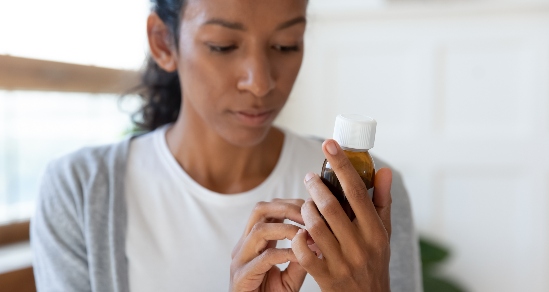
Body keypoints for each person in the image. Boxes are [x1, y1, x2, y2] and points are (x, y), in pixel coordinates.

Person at [30, 0, 422, 291]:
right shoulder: (80, 190)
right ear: (164, 42)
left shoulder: (366, 192)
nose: (260, 82)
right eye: (222, 45)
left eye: (286, 45)